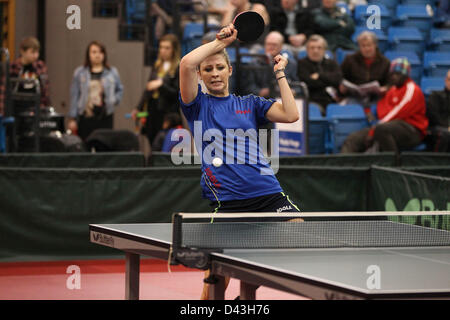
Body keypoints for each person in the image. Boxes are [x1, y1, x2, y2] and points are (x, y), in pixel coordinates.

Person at [179, 23, 301, 299]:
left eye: (219, 67)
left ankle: (247, 287)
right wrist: (221, 43)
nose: (214, 74)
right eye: (207, 69)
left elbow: (292, 114)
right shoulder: (197, 105)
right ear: (200, 75)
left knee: (299, 239)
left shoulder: (250, 103)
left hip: (269, 194)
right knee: (215, 279)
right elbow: (186, 63)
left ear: (229, 70)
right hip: (230, 201)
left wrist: (280, 74)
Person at [340, 58, 428, 154]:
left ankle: (393, 164)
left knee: (381, 131)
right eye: (392, 74)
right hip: (386, 126)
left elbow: (397, 113)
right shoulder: (392, 90)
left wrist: (374, 130)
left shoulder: (412, 90)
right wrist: (369, 113)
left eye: (398, 74)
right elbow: (382, 110)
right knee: (353, 139)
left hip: (412, 131)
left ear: (405, 76)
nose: (394, 77)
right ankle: (344, 167)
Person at [68, 41, 123, 142]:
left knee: (104, 145)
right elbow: (74, 95)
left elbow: (120, 89)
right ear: (88, 54)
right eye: (94, 52)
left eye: (100, 52)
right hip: (86, 116)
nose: (97, 55)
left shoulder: (112, 72)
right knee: (85, 145)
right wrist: (72, 118)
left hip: (105, 115)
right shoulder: (80, 72)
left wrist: (113, 100)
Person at [132, 34, 181, 145]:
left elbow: (177, 93)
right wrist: (138, 107)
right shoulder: (157, 65)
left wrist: (161, 84)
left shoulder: (179, 67)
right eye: (161, 47)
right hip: (153, 109)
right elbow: (148, 88)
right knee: (151, 141)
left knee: (165, 143)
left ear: (174, 50)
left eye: (167, 48)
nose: (163, 51)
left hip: (168, 112)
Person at [339, 31, 390, 119]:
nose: (366, 48)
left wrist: (384, 88)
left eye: (369, 45)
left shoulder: (385, 62)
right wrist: (341, 87)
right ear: (359, 47)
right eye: (363, 46)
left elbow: (389, 83)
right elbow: (340, 77)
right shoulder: (350, 60)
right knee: (349, 112)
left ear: (375, 45)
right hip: (354, 97)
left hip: (375, 98)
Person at [0, 37, 51, 115]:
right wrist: (2, 113)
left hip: (35, 111)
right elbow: (4, 91)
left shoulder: (40, 66)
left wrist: (44, 109)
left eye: (37, 52)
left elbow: (45, 91)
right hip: (16, 111)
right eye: (32, 52)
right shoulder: (13, 67)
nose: (36, 55)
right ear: (22, 51)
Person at [241, 31, 299, 98]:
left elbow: (297, 85)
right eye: (268, 44)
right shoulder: (253, 63)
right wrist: (260, 92)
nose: (271, 47)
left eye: (274, 44)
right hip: (261, 100)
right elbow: (248, 87)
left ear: (281, 46)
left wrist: (294, 91)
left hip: (283, 99)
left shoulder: (290, 64)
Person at [297, 34, 342, 115]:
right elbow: (309, 83)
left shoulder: (331, 63)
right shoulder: (302, 64)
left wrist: (319, 76)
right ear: (307, 50)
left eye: (319, 48)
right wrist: (328, 80)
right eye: (312, 48)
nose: (316, 51)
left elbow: (338, 79)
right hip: (312, 100)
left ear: (324, 50)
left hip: (332, 101)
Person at [426, 69, 450, 152]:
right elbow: (433, 116)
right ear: (445, 80)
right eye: (449, 79)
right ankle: (437, 162)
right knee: (445, 134)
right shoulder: (436, 95)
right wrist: (447, 127)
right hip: (437, 128)